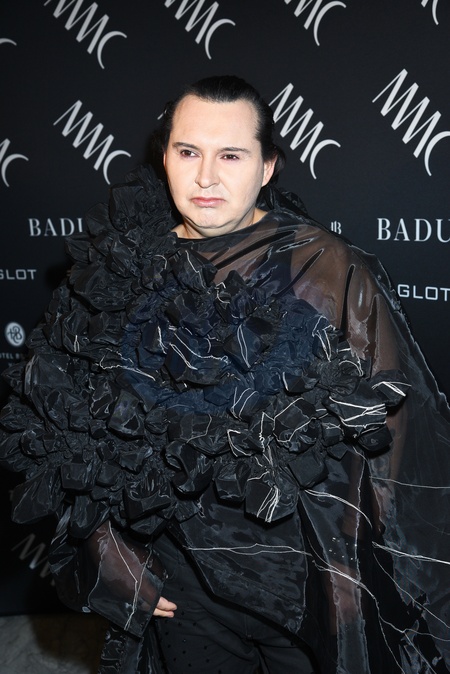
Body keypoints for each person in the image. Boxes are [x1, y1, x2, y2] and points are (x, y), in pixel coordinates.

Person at [0, 75, 449, 674]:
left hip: (303, 579)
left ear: (267, 167)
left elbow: (394, 434)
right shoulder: (115, 270)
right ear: (164, 158)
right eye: (188, 152)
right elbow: (57, 426)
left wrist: (355, 567)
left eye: (231, 155)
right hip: (181, 585)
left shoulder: (326, 267)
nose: (206, 177)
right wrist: (102, 545)